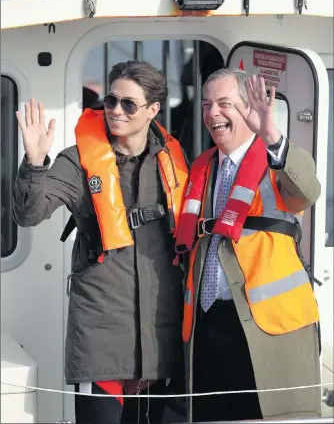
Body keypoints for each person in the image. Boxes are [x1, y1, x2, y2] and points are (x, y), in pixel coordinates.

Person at [13, 60, 189, 424]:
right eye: (110, 101)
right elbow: (28, 215)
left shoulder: (174, 161)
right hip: (100, 339)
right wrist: (34, 162)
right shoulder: (78, 160)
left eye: (129, 104)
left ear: (153, 110)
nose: (116, 111)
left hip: (163, 339)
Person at [174, 69, 322, 422]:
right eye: (207, 105)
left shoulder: (275, 160)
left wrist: (271, 135)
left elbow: (308, 192)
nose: (212, 114)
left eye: (225, 104)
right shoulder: (199, 167)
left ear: (248, 110)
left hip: (266, 326)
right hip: (207, 323)